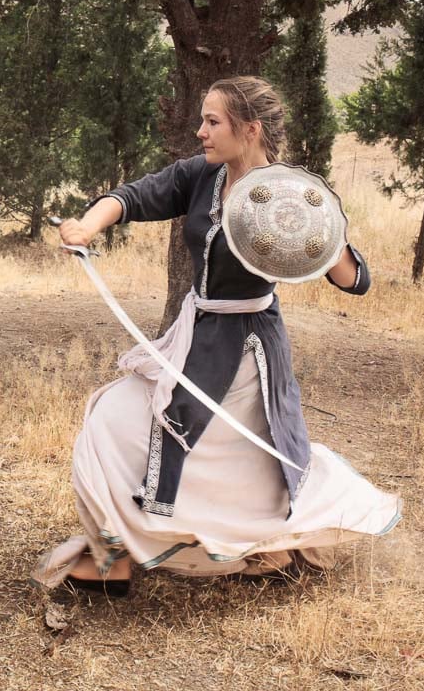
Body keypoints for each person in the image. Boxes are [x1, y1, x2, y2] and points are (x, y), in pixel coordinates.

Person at [33, 76, 400, 595]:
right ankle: (111, 558)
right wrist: (87, 226)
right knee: (110, 420)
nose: (200, 131)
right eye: (202, 119)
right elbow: (138, 195)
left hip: (246, 354)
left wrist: (322, 237)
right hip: (196, 334)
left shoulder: (289, 198)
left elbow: (352, 280)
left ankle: (249, 553)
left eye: (213, 122)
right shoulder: (204, 175)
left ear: (249, 129)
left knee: (237, 470)